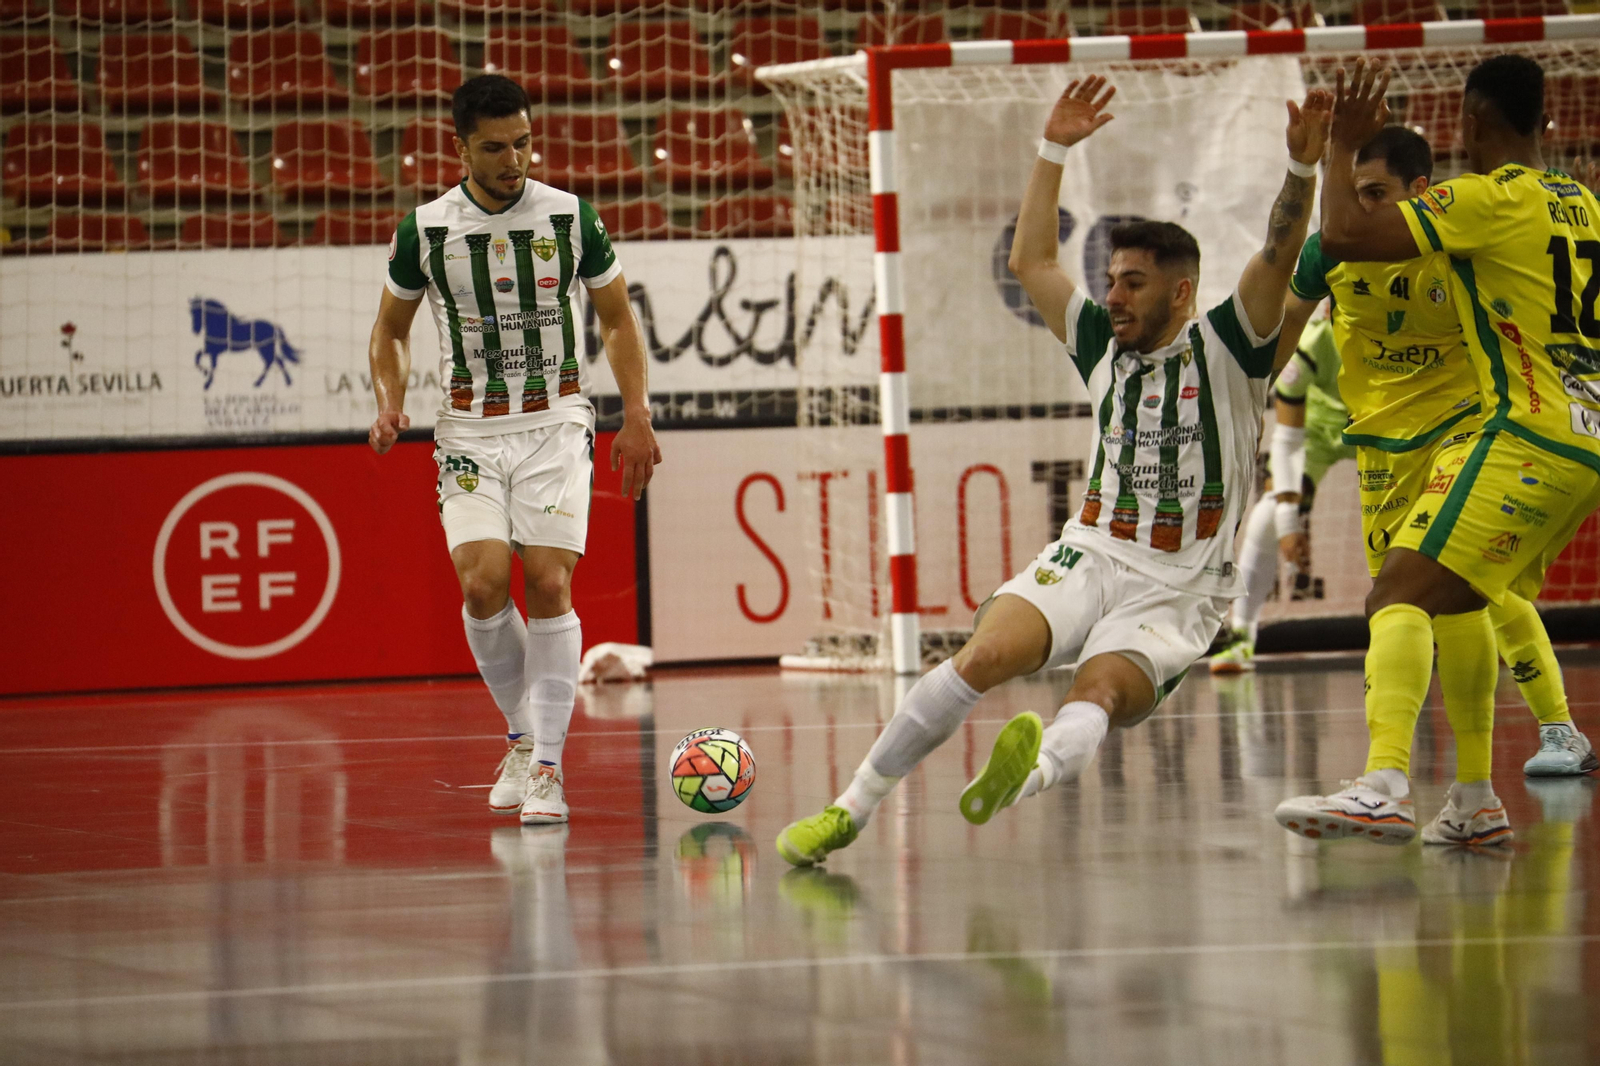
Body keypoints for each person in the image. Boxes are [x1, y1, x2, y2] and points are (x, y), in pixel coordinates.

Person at [775, 76, 1332, 866]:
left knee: (1095, 692)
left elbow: (1279, 250)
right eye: (1110, 279)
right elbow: (1030, 257)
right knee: (980, 656)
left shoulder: (1232, 347)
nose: (1114, 294)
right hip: (1092, 552)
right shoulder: (1101, 341)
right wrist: (1054, 148)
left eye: (1133, 282)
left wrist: (1303, 168)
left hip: (1180, 588)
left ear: (1181, 291)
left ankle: (1026, 773)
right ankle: (847, 811)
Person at [1276, 55, 1600, 848]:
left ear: (1469, 122)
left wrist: (1337, 149)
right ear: (1545, 122)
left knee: (1399, 593)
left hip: (1515, 432)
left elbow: (1346, 232)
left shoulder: (1478, 204)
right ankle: (1476, 801)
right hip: (1571, 437)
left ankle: (1386, 784)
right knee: (1459, 602)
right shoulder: (1582, 203)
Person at [366, 75, 660, 825]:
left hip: (554, 421)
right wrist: (389, 401)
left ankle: (550, 770)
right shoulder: (425, 230)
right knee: (482, 584)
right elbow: (391, 330)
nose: (515, 160)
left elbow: (617, 319)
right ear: (460, 149)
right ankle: (524, 738)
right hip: (467, 429)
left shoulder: (570, 216)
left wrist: (635, 413)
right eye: (495, 148)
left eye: (523, 143)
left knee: (550, 581)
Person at [1209, 312, 1352, 672]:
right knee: (1270, 511)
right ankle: (1242, 636)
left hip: (1385, 425)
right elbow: (1287, 440)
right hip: (1320, 429)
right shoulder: (1314, 343)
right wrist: (1289, 522)